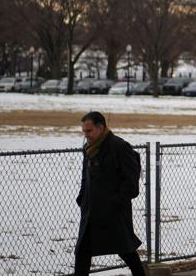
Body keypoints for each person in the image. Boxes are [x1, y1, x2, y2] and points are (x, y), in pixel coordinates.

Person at [75, 111, 145, 276]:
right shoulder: (88, 149)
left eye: (89, 131)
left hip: (114, 212)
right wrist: (82, 198)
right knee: (82, 252)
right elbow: (86, 178)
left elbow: (131, 182)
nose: (86, 135)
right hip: (91, 211)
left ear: (101, 127)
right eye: (84, 131)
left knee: (126, 251)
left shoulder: (119, 147)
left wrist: (115, 202)